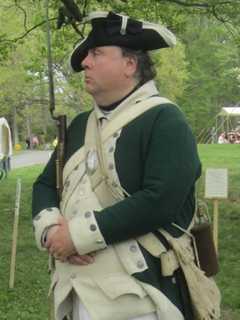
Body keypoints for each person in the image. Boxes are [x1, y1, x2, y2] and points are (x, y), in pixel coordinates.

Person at [32, 11, 220, 320]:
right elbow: (43, 185)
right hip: (75, 292)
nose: (85, 63)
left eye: (97, 53)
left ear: (129, 65)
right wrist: (52, 231)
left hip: (140, 297)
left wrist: (78, 236)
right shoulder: (80, 125)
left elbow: (161, 200)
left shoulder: (165, 119)